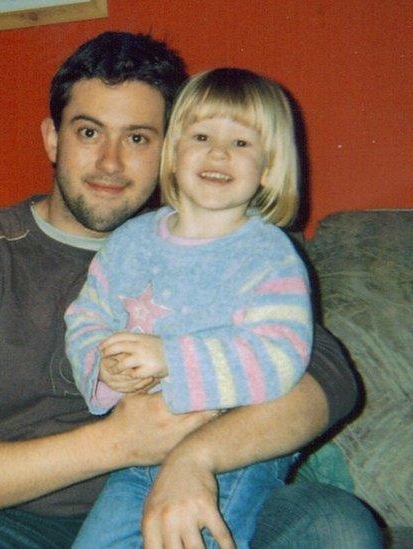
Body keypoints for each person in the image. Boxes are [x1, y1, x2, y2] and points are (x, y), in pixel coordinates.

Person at [0, 31, 382, 548]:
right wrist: (121, 442)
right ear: (53, 138)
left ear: (169, 147)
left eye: (138, 138)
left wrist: (195, 459)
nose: (110, 163)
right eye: (89, 132)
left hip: (191, 497)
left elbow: (321, 378)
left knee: (335, 526)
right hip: (12, 527)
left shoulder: (222, 245)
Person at [66, 67, 314, 548]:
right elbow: (85, 316)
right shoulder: (129, 242)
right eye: (201, 136)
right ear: (174, 153)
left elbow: (281, 354)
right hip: (141, 451)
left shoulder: (269, 254)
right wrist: (102, 366)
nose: (218, 153)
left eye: (241, 143)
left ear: (268, 166)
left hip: (237, 452)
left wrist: (170, 358)